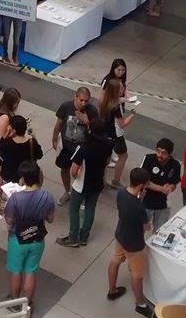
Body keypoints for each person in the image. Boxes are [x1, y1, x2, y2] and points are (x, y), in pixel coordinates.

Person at [2, 161, 55, 313]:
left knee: (16, 271)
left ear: (23, 178)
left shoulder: (15, 198)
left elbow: (9, 220)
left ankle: (15, 302)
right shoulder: (47, 197)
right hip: (37, 239)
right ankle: (28, 304)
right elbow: (50, 219)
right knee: (30, 271)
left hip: (17, 240)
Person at [106, 167, 154, 318]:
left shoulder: (121, 192)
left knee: (115, 261)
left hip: (121, 234)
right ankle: (140, 304)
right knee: (137, 274)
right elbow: (146, 226)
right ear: (140, 186)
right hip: (134, 244)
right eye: (145, 185)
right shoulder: (139, 207)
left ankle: (112, 290)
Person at [58, 120, 114, 248]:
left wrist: (75, 178)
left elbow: (74, 170)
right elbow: (107, 162)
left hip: (82, 184)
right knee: (90, 209)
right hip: (98, 183)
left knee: (73, 209)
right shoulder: (108, 145)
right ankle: (84, 237)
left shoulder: (83, 147)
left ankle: (73, 237)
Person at [52, 86, 99, 205]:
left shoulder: (92, 111)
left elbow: (97, 131)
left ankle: (80, 194)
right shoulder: (65, 106)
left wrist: (87, 121)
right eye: (81, 100)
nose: (84, 103)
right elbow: (59, 124)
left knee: (82, 173)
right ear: (75, 97)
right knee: (64, 169)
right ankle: (67, 191)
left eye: (86, 101)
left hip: (82, 149)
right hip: (66, 146)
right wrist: (54, 139)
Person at [99, 72, 134, 188]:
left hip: (106, 134)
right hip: (116, 135)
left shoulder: (105, 102)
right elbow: (122, 124)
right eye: (121, 88)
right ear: (116, 92)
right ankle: (116, 180)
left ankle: (102, 179)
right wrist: (132, 115)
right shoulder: (116, 107)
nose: (123, 89)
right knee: (123, 156)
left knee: (106, 158)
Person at [141, 139, 181, 231]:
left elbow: (174, 183)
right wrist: (162, 189)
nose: (160, 155)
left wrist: (170, 188)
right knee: (140, 229)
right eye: (158, 151)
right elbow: (144, 181)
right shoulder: (148, 159)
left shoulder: (175, 165)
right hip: (146, 202)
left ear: (170, 154)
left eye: (164, 153)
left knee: (159, 230)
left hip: (163, 204)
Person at [0, 114, 42, 187]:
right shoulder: (32, 143)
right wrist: (34, 137)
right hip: (25, 178)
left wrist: (7, 133)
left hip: (9, 177)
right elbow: (40, 155)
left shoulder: (6, 143)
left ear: (13, 130)